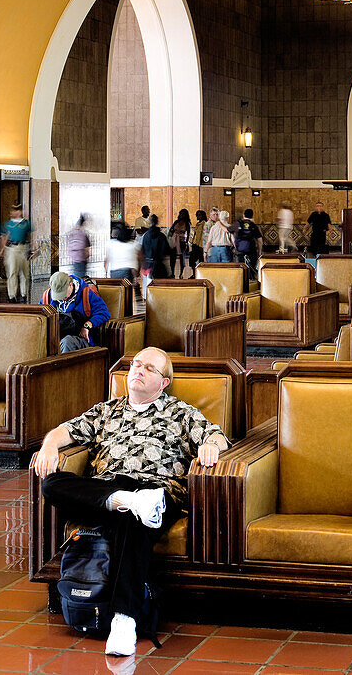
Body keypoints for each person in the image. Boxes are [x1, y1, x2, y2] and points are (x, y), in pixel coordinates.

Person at [34, 346, 229, 657]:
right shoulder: (107, 410)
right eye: (136, 365)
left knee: (136, 516)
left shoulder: (180, 412)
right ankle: (122, 500)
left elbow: (216, 436)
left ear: (164, 382)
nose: (138, 370)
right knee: (52, 483)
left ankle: (124, 620)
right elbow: (63, 431)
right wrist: (48, 448)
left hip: (156, 492)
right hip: (108, 489)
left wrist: (211, 447)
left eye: (149, 368)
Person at [41, 271, 110, 352]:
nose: (61, 298)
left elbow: (103, 313)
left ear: (70, 285)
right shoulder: (48, 296)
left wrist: (87, 326)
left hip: (78, 337)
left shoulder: (86, 293)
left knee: (67, 342)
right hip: (55, 336)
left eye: (63, 295)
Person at [1, 202, 33, 302]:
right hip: (12, 249)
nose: (12, 212)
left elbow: (32, 236)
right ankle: (12, 296)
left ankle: (24, 294)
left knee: (24, 273)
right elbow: (5, 237)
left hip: (24, 247)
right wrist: (2, 250)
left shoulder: (26, 223)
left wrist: (32, 249)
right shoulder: (9, 224)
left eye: (15, 210)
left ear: (19, 211)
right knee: (12, 272)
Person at [140, 216, 169, 297]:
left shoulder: (145, 236)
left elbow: (142, 250)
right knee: (160, 288)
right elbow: (166, 250)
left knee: (147, 287)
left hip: (147, 264)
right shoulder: (161, 236)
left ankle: (147, 302)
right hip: (159, 265)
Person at [232, 208, 262, 277]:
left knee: (240, 271)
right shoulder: (254, 225)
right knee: (251, 271)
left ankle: (241, 285)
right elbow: (259, 240)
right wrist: (259, 252)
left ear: (243, 215)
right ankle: (251, 284)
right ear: (252, 216)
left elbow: (228, 230)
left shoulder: (238, 224)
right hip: (251, 252)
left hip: (239, 252)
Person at [167, 209, 191, 278]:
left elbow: (188, 234)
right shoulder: (176, 222)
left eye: (183, 214)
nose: (181, 215)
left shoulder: (187, 224)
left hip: (182, 242)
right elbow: (171, 231)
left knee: (182, 258)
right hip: (174, 241)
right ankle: (172, 273)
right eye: (181, 213)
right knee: (172, 258)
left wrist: (186, 243)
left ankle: (181, 273)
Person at [68, 215, 91, 280]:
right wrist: (87, 256)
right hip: (81, 259)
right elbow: (87, 249)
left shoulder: (73, 233)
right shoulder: (83, 234)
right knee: (81, 278)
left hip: (74, 258)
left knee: (76, 276)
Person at [189, 210, 207, 275]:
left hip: (200, 245)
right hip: (195, 244)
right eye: (197, 215)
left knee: (200, 261)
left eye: (200, 215)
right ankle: (194, 274)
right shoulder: (198, 224)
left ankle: (200, 275)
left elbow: (202, 235)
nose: (198, 216)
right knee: (192, 261)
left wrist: (201, 246)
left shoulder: (204, 223)